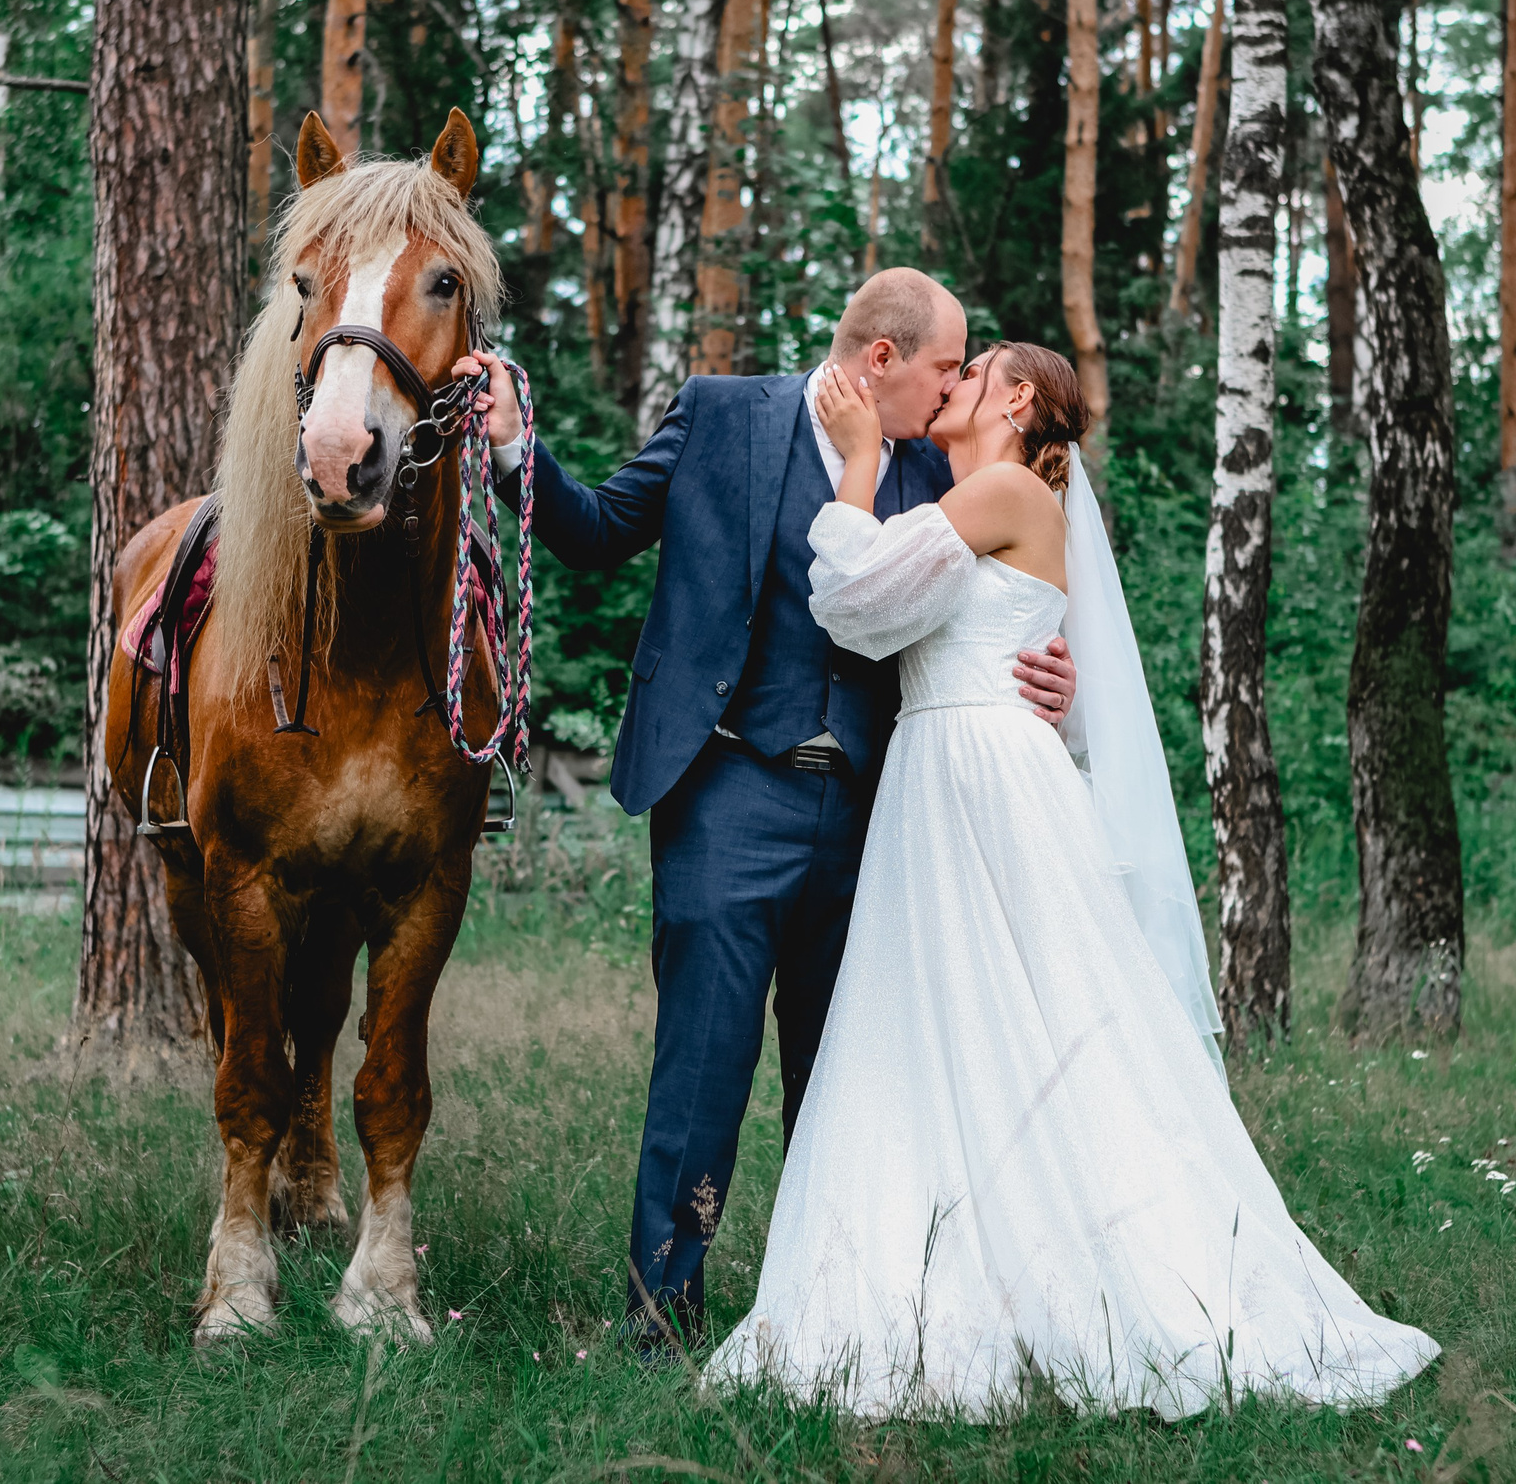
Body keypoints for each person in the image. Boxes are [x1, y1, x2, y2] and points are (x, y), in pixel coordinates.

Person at [702, 342, 1441, 1419]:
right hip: (946, 773)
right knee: (952, 1030)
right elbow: (919, 620)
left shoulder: (1002, 487)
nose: (947, 380)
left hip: (982, 778)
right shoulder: (982, 495)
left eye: (974, 367)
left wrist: (855, 457)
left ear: (1015, 401)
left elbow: (853, 599)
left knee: (1036, 1026)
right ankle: (952, 1269)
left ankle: (1115, 1278)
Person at [458, 270, 1077, 1344]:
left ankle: (837, 1312)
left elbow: (1003, 593)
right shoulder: (717, 413)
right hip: (728, 793)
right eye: (941, 365)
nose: (950, 388)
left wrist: (1047, 674)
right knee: (701, 1061)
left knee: (853, 1072)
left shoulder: (943, 458)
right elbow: (598, 530)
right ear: (878, 360)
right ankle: (664, 1313)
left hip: (887, 814)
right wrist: (517, 445)